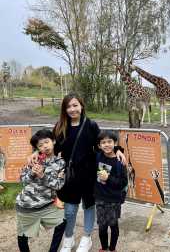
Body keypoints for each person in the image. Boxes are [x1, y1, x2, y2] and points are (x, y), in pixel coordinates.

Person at [51, 92, 126, 252]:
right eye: (68, 106)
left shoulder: (91, 125)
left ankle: (86, 237)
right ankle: (69, 238)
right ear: (64, 109)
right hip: (70, 176)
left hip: (89, 175)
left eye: (75, 105)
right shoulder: (59, 126)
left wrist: (118, 149)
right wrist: (36, 153)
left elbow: (104, 142)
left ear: (81, 106)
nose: (72, 109)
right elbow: (50, 147)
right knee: (70, 210)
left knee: (89, 207)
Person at [16, 129, 66, 252]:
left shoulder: (61, 163)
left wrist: (43, 176)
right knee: (23, 235)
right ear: (37, 148)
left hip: (47, 206)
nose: (45, 146)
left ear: (53, 141)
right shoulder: (33, 160)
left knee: (62, 222)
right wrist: (32, 173)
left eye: (46, 142)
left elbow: (59, 185)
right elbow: (23, 180)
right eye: (40, 145)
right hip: (26, 205)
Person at [94, 130, 128, 252]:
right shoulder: (98, 155)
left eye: (109, 142)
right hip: (100, 198)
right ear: (99, 146)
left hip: (114, 200)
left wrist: (108, 178)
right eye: (103, 142)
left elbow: (123, 183)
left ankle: (112, 248)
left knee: (113, 225)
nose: (106, 145)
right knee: (102, 227)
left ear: (115, 143)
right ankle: (104, 248)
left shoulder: (120, 161)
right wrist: (119, 149)